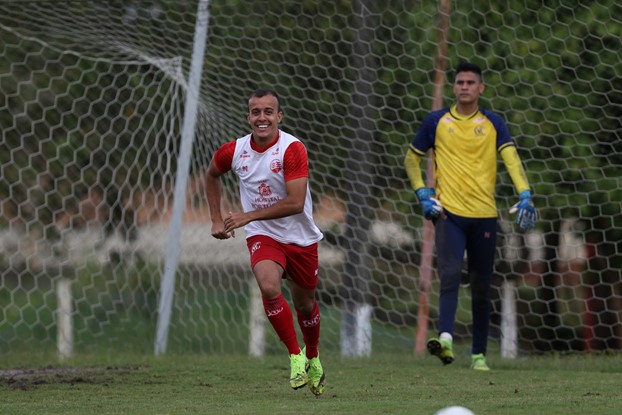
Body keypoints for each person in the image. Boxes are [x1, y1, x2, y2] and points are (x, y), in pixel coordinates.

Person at [405, 62, 536, 370]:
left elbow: (511, 159)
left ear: (481, 88)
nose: (464, 86)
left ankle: (479, 354)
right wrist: (422, 192)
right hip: (448, 213)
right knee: (449, 276)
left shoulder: (493, 122)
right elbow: (412, 159)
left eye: (470, 82)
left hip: (485, 216)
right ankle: (446, 340)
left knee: (481, 285)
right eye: (459, 82)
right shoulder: (436, 121)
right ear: (454, 87)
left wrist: (525, 193)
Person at [205, 89, 326, 395]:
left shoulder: (292, 149)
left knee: (305, 303)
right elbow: (211, 174)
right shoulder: (234, 151)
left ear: (278, 117)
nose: (262, 118)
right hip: (264, 234)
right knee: (269, 286)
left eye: (268, 112)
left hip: (300, 236)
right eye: (256, 112)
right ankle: (295, 356)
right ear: (248, 117)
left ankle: (313, 355)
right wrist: (216, 219)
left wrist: (247, 215)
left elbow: (297, 202)